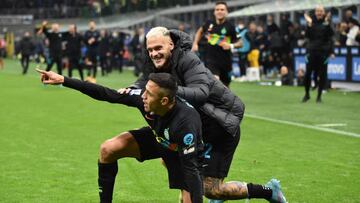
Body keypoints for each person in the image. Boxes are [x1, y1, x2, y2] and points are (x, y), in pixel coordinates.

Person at [126, 26, 287, 203]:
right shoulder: (157, 62)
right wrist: (132, 89)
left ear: (171, 44)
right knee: (171, 160)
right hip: (196, 128)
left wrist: (169, 91)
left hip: (220, 126)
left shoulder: (188, 60)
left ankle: (269, 191)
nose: (154, 53)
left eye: (158, 48)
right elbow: (145, 80)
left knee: (211, 190)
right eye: (150, 49)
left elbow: (201, 93)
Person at [36, 70, 204, 203]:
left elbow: (191, 169)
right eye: (145, 90)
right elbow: (106, 94)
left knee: (195, 195)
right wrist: (64, 80)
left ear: (164, 101)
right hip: (159, 138)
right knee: (108, 149)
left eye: (149, 94)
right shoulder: (143, 98)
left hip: (181, 154)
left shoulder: (186, 123)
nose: (143, 96)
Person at [191, 1, 241, 87]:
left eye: (222, 9)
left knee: (225, 89)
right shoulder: (209, 23)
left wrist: (230, 45)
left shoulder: (231, 27)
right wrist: (195, 43)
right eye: (217, 9)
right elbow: (200, 31)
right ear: (214, 12)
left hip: (226, 62)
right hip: (211, 60)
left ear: (226, 12)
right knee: (215, 82)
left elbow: (240, 43)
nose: (219, 11)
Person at [303, 5, 334, 103]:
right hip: (311, 51)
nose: (319, 13)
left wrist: (331, 52)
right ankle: (307, 94)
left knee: (323, 75)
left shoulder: (327, 23)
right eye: (317, 11)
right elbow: (307, 35)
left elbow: (330, 38)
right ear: (315, 12)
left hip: (323, 52)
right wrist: (308, 25)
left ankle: (319, 96)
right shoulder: (311, 22)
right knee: (308, 74)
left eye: (321, 11)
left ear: (323, 12)